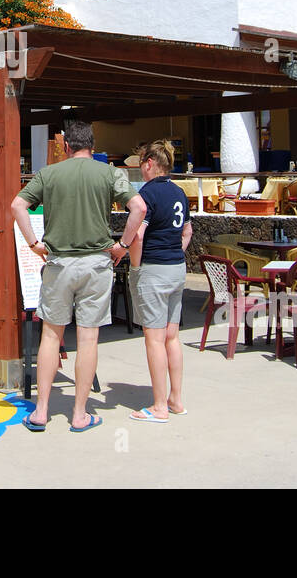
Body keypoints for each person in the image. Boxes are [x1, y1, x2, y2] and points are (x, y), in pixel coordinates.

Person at [11, 120, 134, 433]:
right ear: (92, 145)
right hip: (96, 264)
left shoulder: (49, 174)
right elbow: (140, 207)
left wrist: (33, 243)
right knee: (88, 337)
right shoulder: (109, 174)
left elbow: (18, 205)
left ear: (65, 146)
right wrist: (123, 245)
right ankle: (80, 414)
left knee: (51, 335)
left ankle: (40, 412)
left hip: (59, 264)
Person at [116, 139, 193, 423]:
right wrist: (175, 253)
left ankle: (159, 405)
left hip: (153, 268)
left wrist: (135, 265)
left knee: (154, 339)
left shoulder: (146, 194)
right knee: (172, 337)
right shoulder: (179, 193)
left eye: (142, 167)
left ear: (149, 164)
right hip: (176, 267)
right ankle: (175, 398)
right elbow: (187, 233)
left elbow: (137, 235)